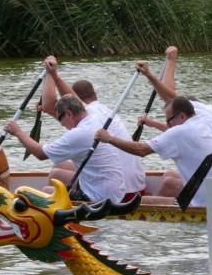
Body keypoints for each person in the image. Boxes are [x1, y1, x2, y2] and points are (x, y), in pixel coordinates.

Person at [95, 96, 212, 207]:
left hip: (208, 204)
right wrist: (154, 124)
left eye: (168, 120)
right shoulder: (208, 119)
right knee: (169, 175)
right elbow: (176, 133)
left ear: (182, 116)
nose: (167, 125)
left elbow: (142, 150)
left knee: (143, 202)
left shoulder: (180, 132)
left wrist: (109, 138)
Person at [39, 56, 146, 201]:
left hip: (122, 194)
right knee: (59, 165)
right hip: (137, 184)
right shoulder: (101, 112)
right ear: (95, 94)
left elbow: (48, 104)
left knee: (53, 180)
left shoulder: (90, 115)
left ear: (72, 108)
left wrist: (52, 74)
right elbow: (52, 108)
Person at [4, 94, 125, 202]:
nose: (62, 125)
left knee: (47, 191)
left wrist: (18, 132)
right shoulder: (94, 115)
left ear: (69, 113)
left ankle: (46, 216)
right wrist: (52, 73)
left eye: (61, 120)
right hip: (114, 187)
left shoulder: (78, 134)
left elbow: (41, 154)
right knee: (58, 168)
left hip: (99, 197)